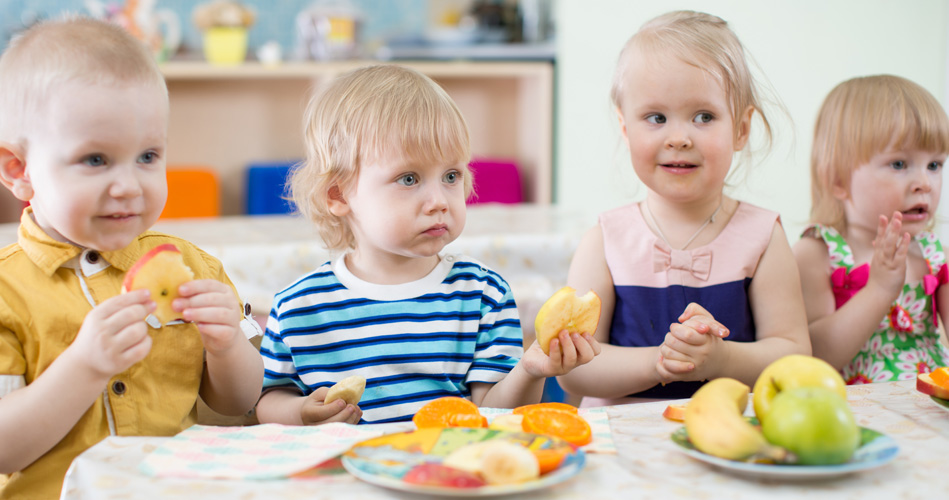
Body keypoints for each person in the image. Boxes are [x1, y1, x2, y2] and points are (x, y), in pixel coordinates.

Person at [0, 18, 264, 499]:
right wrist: (83, 367)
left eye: (147, 156)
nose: (129, 185)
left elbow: (239, 403)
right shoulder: (6, 293)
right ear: (18, 170)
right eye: (96, 160)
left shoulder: (192, 266)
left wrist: (228, 347)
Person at [255, 64, 601, 425]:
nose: (440, 200)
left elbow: (497, 413)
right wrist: (299, 412)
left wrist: (530, 370)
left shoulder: (483, 294)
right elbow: (268, 399)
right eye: (409, 178)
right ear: (339, 194)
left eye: (451, 176)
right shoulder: (298, 305)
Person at [557, 11, 811, 405]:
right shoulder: (605, 241)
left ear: (741, 129)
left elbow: (795, 356)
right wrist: (660, 362)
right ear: (626, 128)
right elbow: (575, 368)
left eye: (703, 117)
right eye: (656, 118)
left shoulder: (762, 237)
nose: (679, 138)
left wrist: (722, 359)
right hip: (621, 447)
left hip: (728, 440)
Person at [794, 75, 949, 383]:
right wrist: (879, 289)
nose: (925, 184)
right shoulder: (817, 253)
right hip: (855, 412)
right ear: (838, 180)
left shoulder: (931, 251)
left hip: (930, 407)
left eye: (934, 165)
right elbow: (815, 356)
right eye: (899, 164)